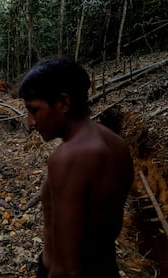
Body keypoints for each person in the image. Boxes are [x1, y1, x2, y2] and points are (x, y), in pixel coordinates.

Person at [18, 55, 134, 278]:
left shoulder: (69, 157)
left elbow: (67, 269)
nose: (30, 123)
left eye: (34, 111)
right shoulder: (116, 144)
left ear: (63, 103)